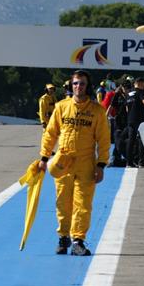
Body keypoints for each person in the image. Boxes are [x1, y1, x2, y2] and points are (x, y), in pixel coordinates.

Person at [38, 70, 110, 256]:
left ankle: (78, 240)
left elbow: (103, 140)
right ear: (71, 86)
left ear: (88, 86)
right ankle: (63, 237)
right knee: (62, 202)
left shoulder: (97, 111)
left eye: (82, 84)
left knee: (83, 204)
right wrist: (44, 158)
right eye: (76, 83)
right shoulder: (61, 107)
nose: (79, 87)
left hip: (86, 164)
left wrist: (101, 165)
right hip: (64, 162)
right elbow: (50, 133)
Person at [107, 80, 131, 167]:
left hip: (127, 121)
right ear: (122, 87)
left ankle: (119, 158)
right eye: (125, 88)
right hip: (118, 120)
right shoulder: (117, 95)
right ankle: (114, 158)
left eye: (128, 88)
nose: (126, 90)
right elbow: (111, 106)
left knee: (123, 140)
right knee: (118, 139)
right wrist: (105, 117)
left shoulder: (130, 95)